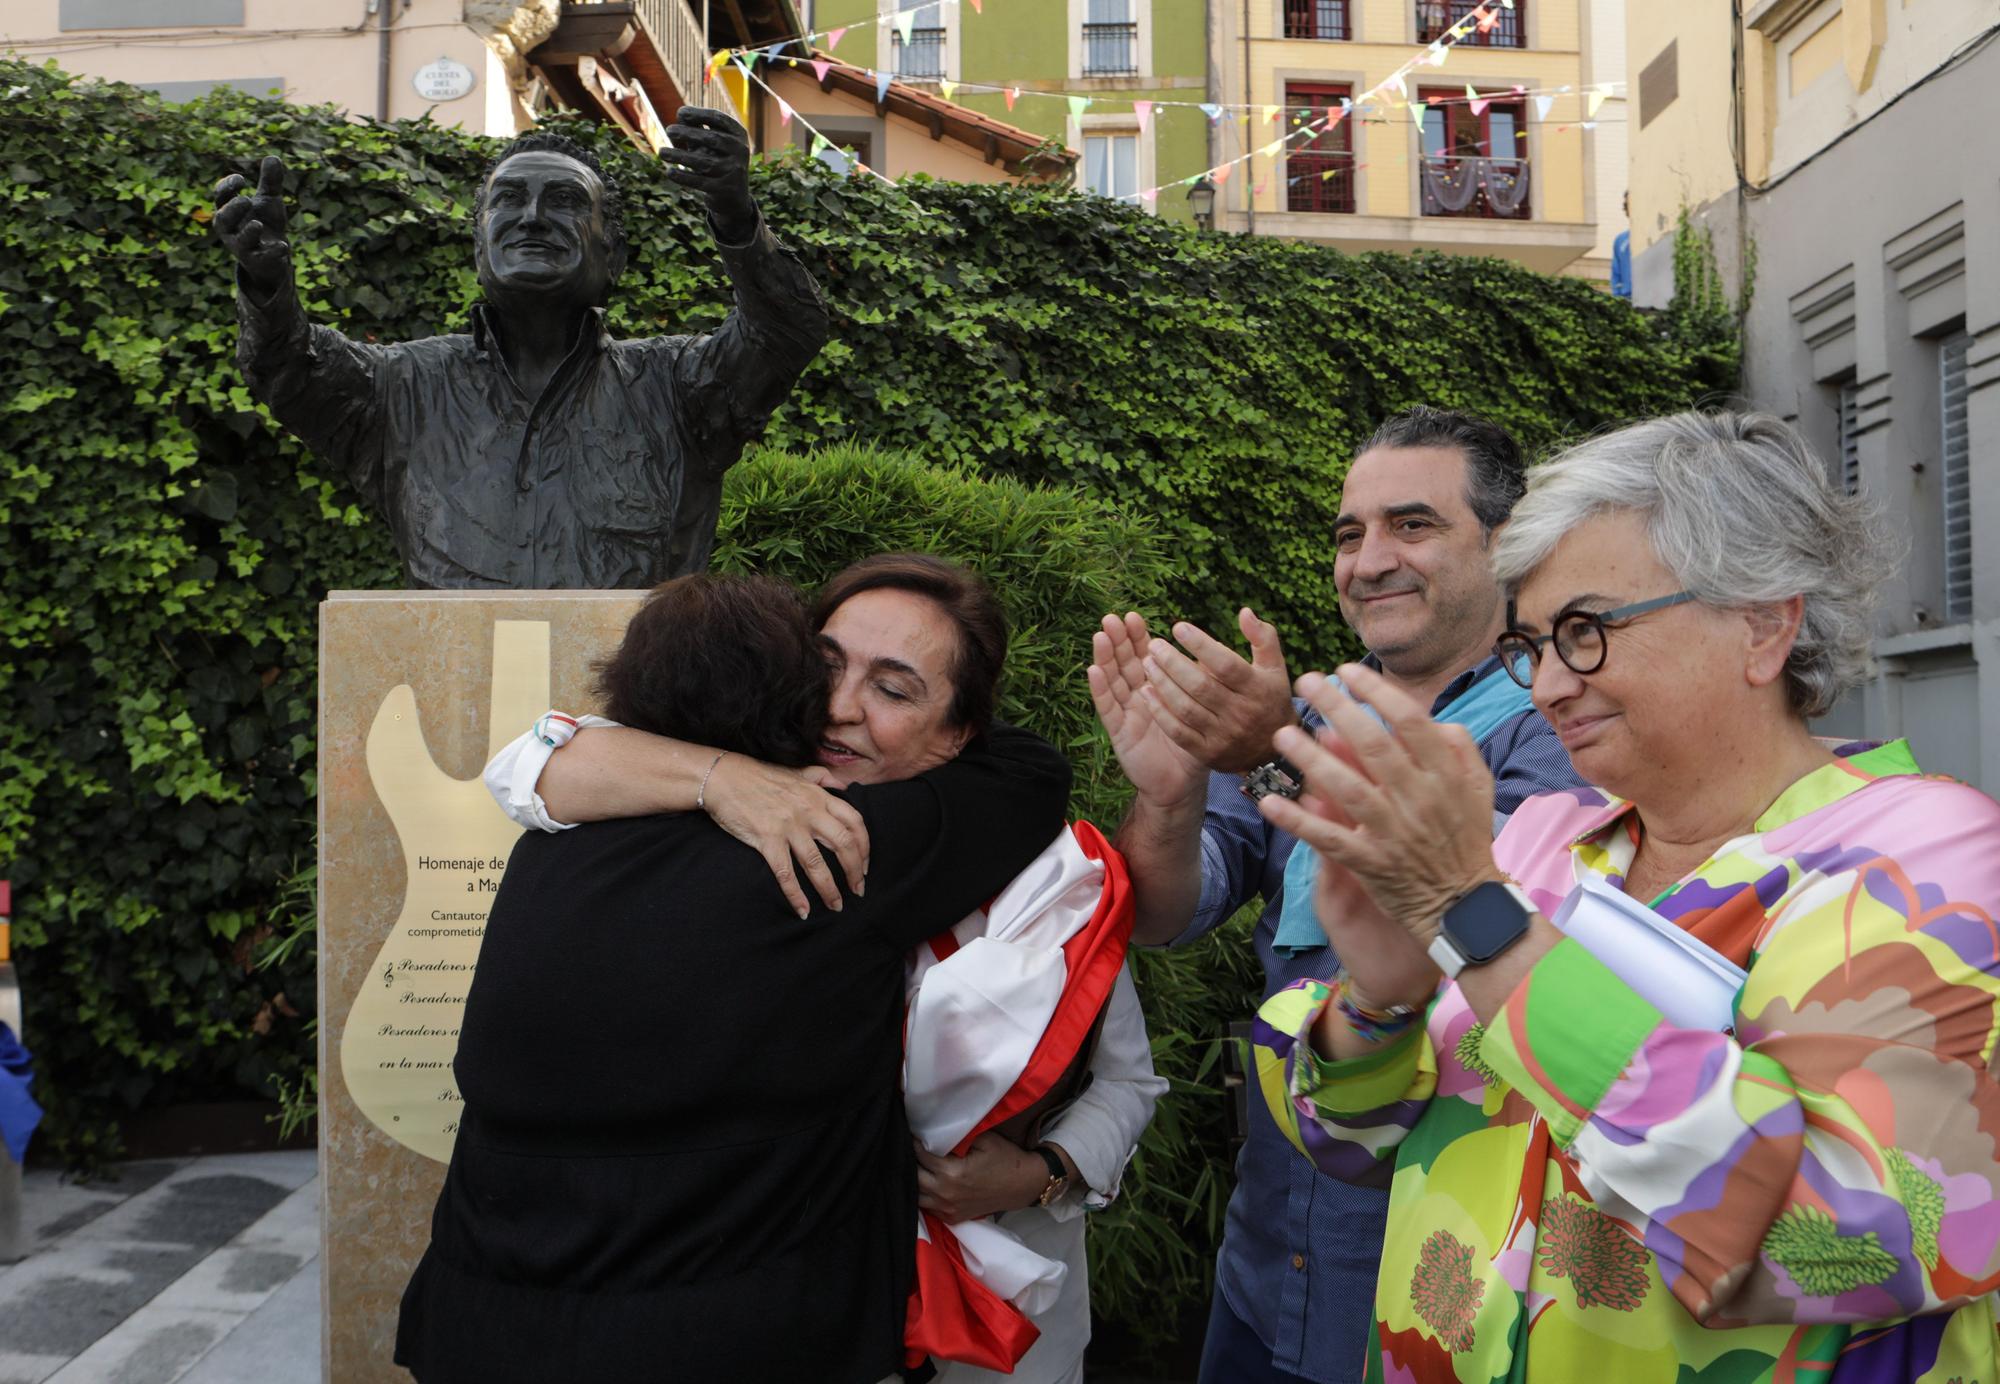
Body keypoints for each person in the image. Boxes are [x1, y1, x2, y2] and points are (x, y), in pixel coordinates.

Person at [1254, 410, 2000, 1381]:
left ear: (1763, 622)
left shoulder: (1922, 861)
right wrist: (1378, 998)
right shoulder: (1539, 841)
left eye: (1585, 631)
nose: (1550, 683)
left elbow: (1847, 1248)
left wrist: (1474, 923)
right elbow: (1343, 1139)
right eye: (1532, 644)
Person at [486, 554, 1166, 1384]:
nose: (841, 708)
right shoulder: (707, 829)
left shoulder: (1048, 883)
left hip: (998, 1326)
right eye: (827, 666)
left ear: (958, 732)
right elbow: (531, 760)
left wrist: (1041, 1175)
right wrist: (723, 779)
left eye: (894, 688)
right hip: (805, 1331)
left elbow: (1128, 1085)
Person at [1087, 407, 1580, 1384]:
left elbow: (1491, 928)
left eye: (1410, 525)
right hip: (1266, 1260)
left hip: (1441, 1284)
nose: (1368, 559)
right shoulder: (1311, 713)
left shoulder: (1554, 724)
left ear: (1504, 544)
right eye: (1348, 534)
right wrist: (1170, 791)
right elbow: (1164, 912)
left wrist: (1272, 757)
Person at [211, 114, 828, 588]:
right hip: (456, 719)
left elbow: (784, 332)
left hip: (629, 720)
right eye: (509, 199)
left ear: (612, 257)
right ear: (479, 250)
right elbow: (290, 370)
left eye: (563, 201)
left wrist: (736, 215)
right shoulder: (402, 387)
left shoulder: (678, 386)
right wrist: (268, 287)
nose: (531, 217)